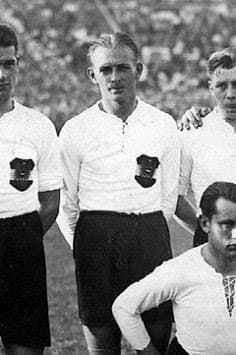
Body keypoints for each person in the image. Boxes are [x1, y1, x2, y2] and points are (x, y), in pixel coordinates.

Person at [57, 32, 180, 355]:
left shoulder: (162, 124)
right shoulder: (75, 128)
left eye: (122, 68)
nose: (114, 77)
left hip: (148, 235)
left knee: (154, 338)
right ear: (92, 75)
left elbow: (167, 198)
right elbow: (66, 203)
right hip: (96, 239)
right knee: (102, 339)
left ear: (138, 69)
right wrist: (85, 243)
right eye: (106, 69)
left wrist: (144, 230)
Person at [113, 181, 236, 355]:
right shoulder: (182, 269)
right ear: (205, 223)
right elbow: (123, 307)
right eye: (227, 225)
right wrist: (147, 351)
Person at [0, 24, 62, 354]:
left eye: (8, 63)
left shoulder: (38, 124)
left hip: (21, 236)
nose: (1, 74)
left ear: (18, 64)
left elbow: (51, 201)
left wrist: (22, 237)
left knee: (24, 347)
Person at [175, 47, 236, 246]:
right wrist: (207, 231)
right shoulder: (192, 131)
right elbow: (175, 196)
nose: (230, 94)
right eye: (222, 86)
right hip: (214, 245)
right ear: (211, 87)